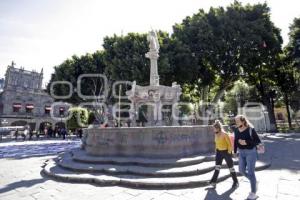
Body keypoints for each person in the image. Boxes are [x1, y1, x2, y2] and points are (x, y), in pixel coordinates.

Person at [234, 115, 261, 200]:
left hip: (251, 153)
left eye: (238, 121)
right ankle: (254, 182)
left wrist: (246, 142)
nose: (236, 123)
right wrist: (235, 151)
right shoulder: (236, 130)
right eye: (235, 121)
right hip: (241, 153)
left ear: (243, 121)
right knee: (241, 170)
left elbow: (257, 141)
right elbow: (235, 141)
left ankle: (253, 193)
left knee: (250, 172)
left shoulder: (250, 129)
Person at [209, 120, 239, 189]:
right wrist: (216, 151)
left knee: (231, 168)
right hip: (219, 153)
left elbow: (230, 145)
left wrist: (229, 153)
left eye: (214, 128)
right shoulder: (216, 134)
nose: (213, 130)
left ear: (218, 128)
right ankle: (213, 182)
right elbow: (216, 144)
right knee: (217, 167)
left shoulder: (224, 134)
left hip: (226, 152)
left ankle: (236, 182)